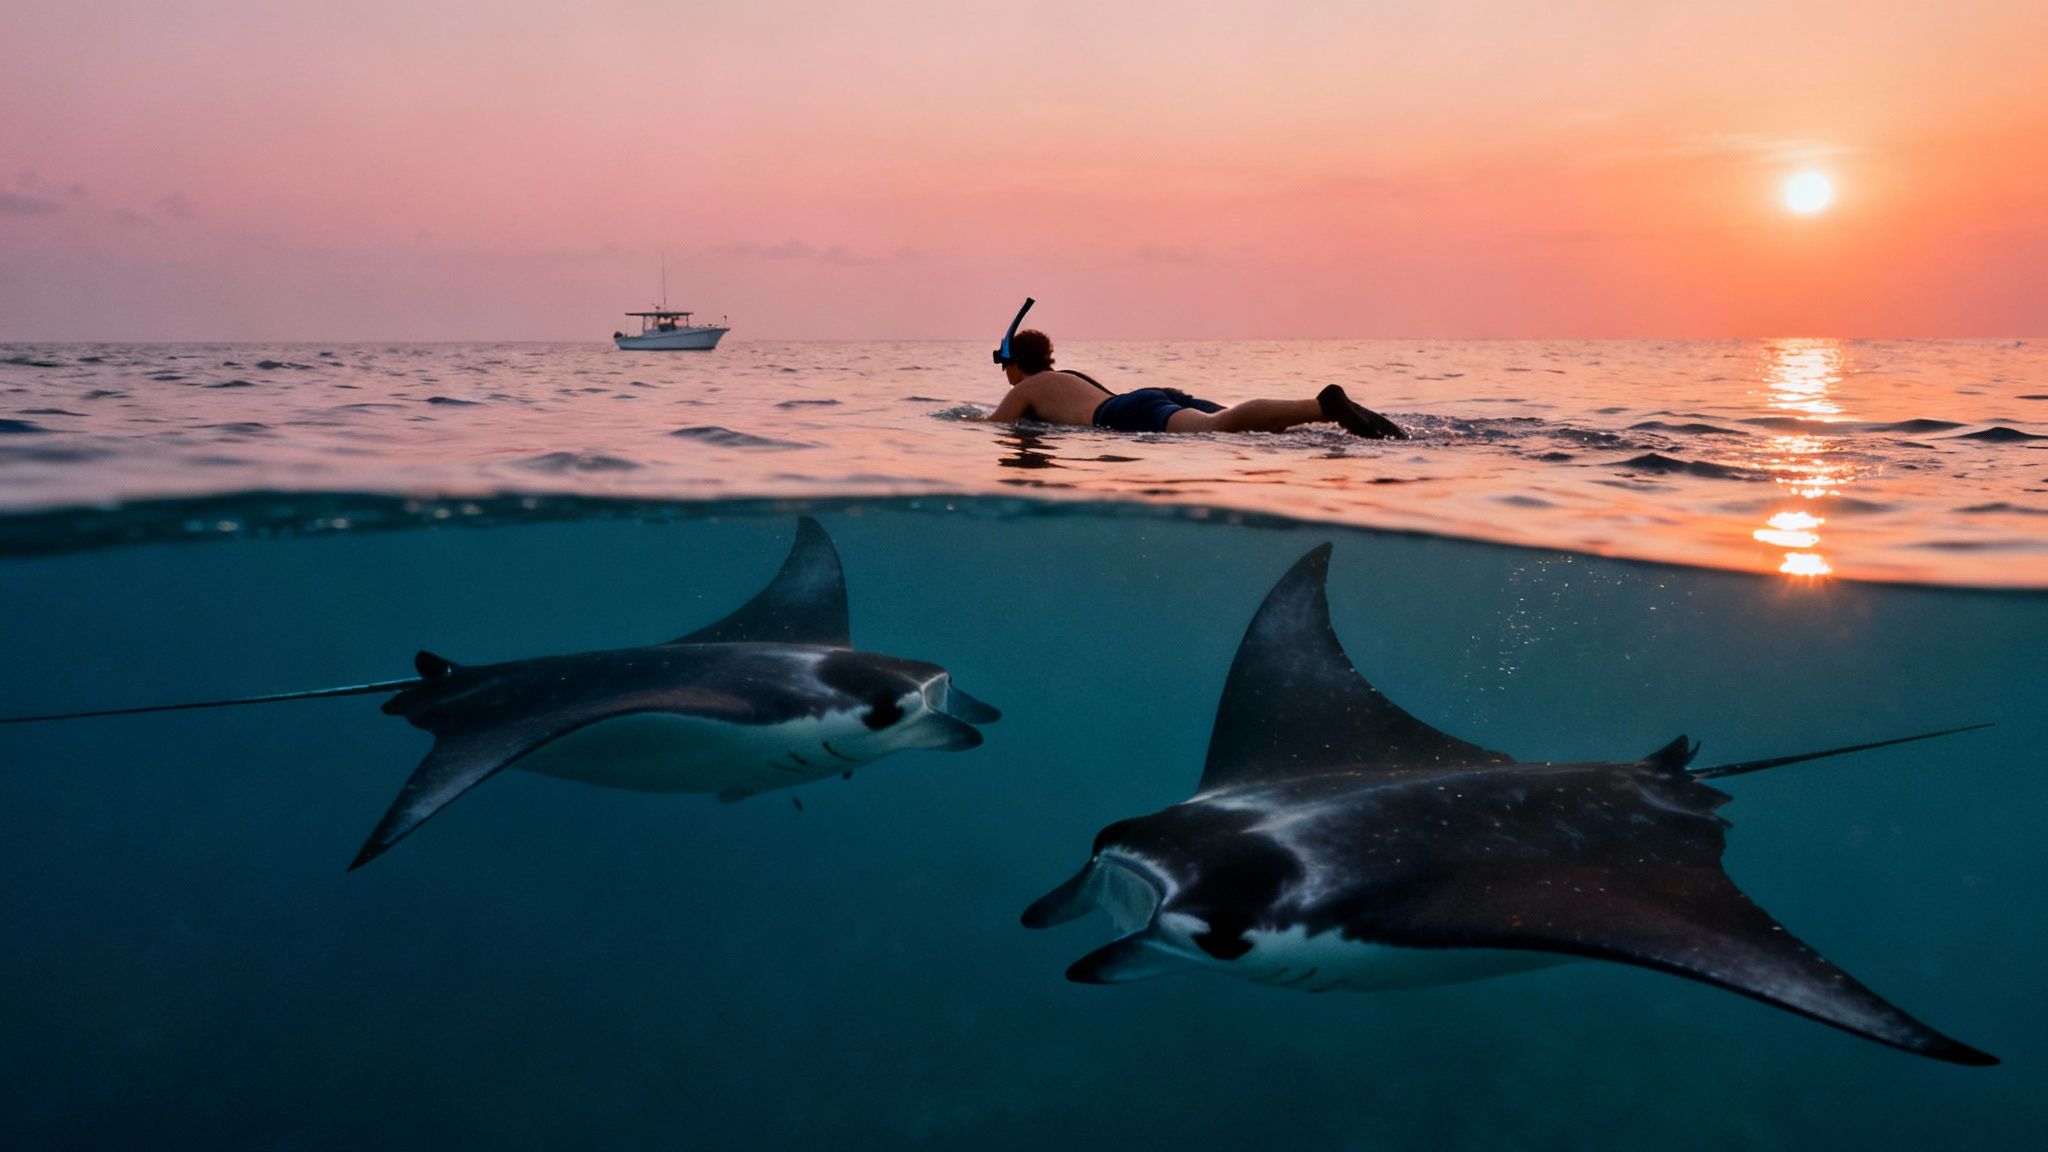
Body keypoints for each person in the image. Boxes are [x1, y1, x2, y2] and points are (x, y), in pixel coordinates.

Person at [981, 330, 1406, 438]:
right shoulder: (1067, 377)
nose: (1008, 377)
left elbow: (994, 427)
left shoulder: (1025, 388)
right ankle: (1320, 419)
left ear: (1016, 365)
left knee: (1220, 428)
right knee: (1243, 426)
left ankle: (1322, 407)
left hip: (1125, 414)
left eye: (1007, 368)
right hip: (1146, 398)